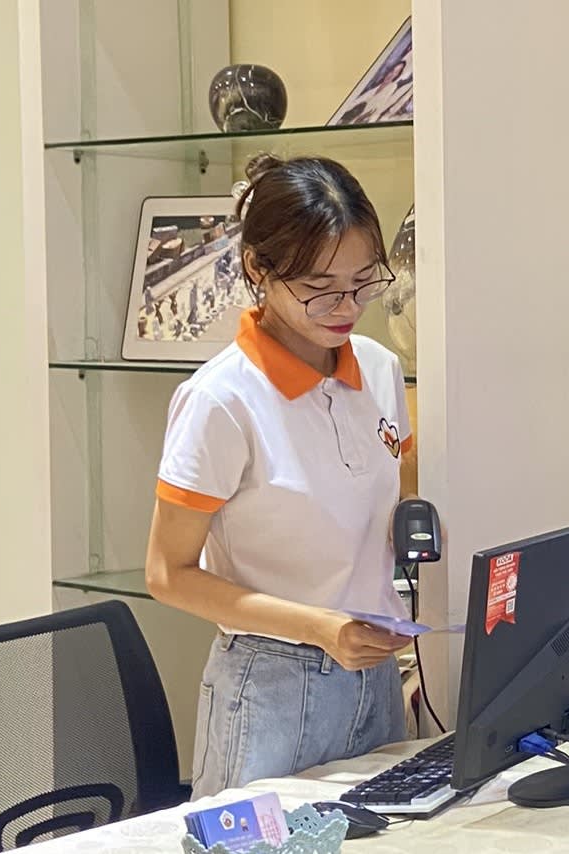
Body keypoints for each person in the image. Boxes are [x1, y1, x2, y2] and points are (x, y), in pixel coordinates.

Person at [144, 153, 418, 798]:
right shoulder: (221, 401)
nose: (346, 306)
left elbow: (398, 499)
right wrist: (319, 628)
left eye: (363, 281)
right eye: (320, 287)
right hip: (272, 683)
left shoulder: (379, 370)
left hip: (373, 673)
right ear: (258, 270)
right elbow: (166, 574)